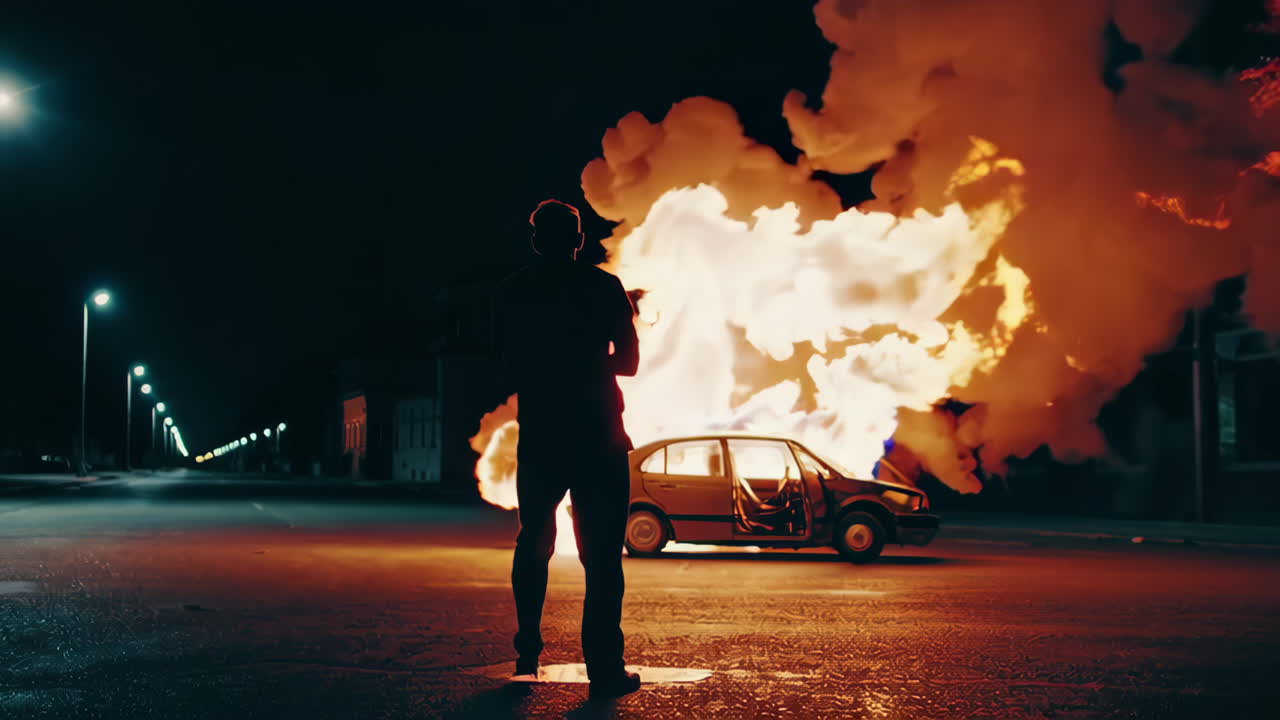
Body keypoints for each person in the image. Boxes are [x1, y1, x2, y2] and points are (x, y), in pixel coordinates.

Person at [496, 199, 642, 698]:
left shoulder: (514, 291)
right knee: (602, 557)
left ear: (536, 241)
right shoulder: (603, 287)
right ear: (579, 241)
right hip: (600, 433)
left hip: (541, 433)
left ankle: (528, 651)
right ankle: (604, 669)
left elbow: (501, 363)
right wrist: (589, 363)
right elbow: (629, 364)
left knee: (533, 540)